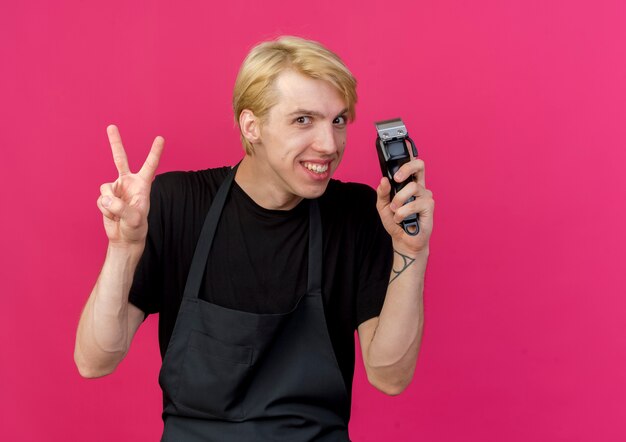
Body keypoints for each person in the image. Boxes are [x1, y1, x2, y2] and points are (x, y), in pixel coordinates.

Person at [74, 36, 434, 441]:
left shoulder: (356, 214)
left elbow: (390, 376)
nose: (329, 145)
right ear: (252, 126)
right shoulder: (177, 204)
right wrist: (123, 248)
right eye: (303, 120)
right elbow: (95, 360)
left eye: (337, 120)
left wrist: (410, 249)